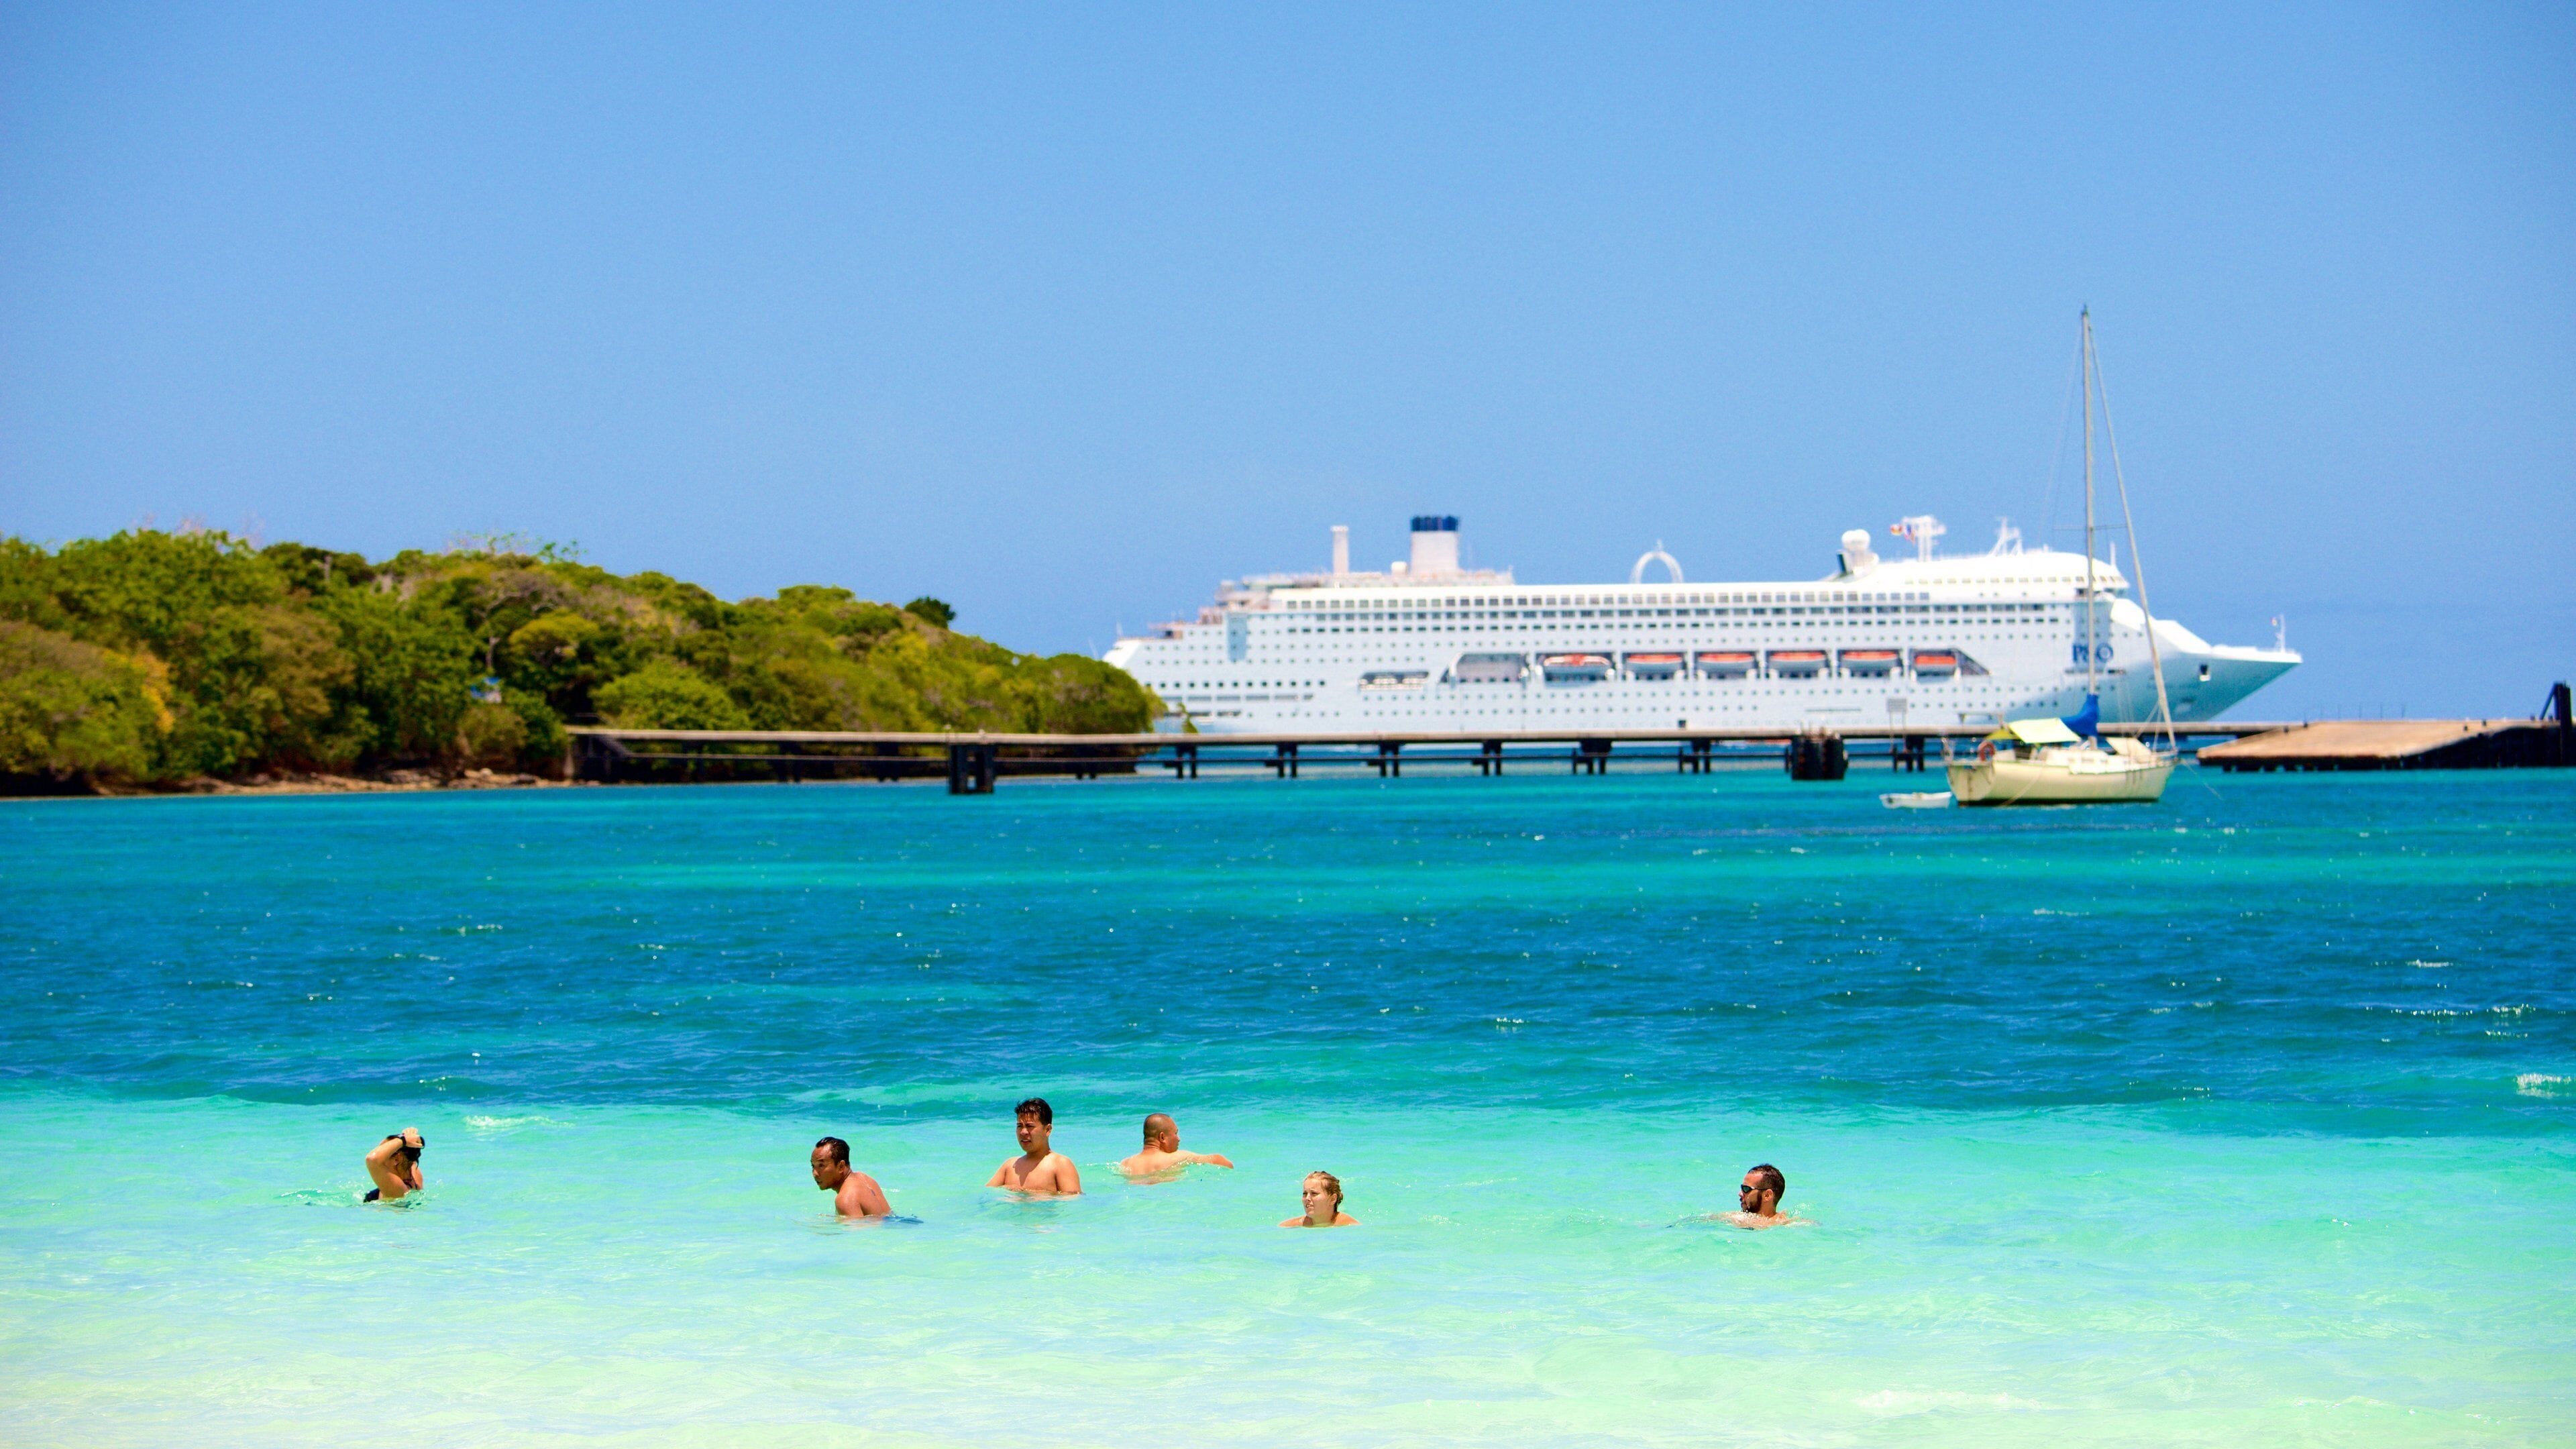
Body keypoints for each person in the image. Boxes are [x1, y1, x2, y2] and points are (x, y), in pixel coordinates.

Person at [987, 1097, 1081, 1196]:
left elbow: (1073, 1202)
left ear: (1048, 1130)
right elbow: (986, 1194)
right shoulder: (1010, 1166)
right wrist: (1005, 1188)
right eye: (1019, 1126)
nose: (1023, 1132)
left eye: (1030, 1126)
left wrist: (1029, 1194)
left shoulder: (1060, 1164)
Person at [1117, 1112, 1235, 1177]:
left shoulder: (1126, 1163)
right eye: (1175, 1133)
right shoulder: (1177, 1157)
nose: (1179, 1139)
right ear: (1162, 1137)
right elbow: (1224, 1163)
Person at [810, 1136, 891, 1218]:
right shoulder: (864, 1178)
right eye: (813, 1166)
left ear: (841, 1167)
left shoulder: (845, 1199)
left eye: (821, 1166)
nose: (815, 1173)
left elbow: (859, 1229)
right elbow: (883, 1219)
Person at [1723, 1163, 1806, 1228]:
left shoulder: (1788, 1224)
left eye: (1746, 1189)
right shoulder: (1734, 1218)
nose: (1740, 1193)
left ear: (1767, 1195)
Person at [364, 1128, 424, 1202]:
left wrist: (403, 1140)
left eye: (386, 1156)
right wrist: (407, 1136)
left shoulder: (396, 1189)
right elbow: (412, 1150)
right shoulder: (413, 1169)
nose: (383, 1159)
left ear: (396, 1159)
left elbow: (372, 1159)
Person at [1280, 1170, 1357, 1228]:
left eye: (1314, 1194)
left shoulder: (1349, 1225)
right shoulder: (1290, 1226)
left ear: (1332, 1199)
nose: (1307, 1198)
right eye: (1305, 1194)